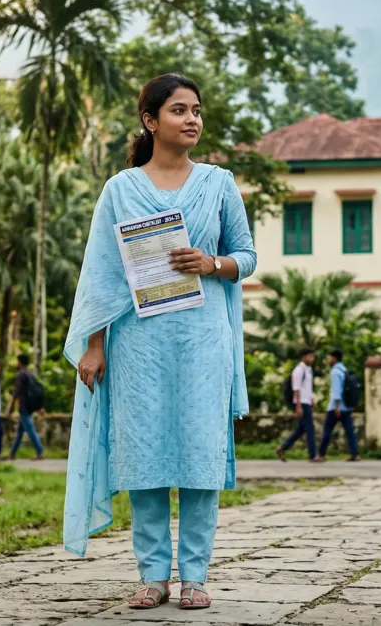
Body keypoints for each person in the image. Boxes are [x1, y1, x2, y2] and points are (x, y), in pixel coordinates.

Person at [64, 73, 256, 611]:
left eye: (197, 110)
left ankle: (195, 576)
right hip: (138, 344)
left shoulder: (218, 184)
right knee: (143, 457)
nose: (192, 119)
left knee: (200, 456)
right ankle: (152, 576)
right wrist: (95, 345)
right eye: (179, 110)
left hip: (202, 340)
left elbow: (248, 255)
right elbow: (102, 275)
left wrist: (213, 263)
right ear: (150, 121)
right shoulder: (120, 190)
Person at [276, 348, 320, 463]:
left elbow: (307, 388)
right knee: (310, 429)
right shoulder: (299, 370)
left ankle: (282, 448)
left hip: (306, 402)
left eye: (312, 356)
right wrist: (299, 405)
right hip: (301, 403)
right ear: (303, 357)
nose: (312, 359)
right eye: (310, 356)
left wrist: (311, 399)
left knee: (301, 430)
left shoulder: (308, 370)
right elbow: (296, 388)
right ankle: (312, 455)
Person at [318, 349, 360, 462]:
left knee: (327, 430)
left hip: (336, 407)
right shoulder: (344, 370)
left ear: (334, 358)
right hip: (346, 406)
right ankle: (355, 453)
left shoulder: (335, 371)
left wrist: (336, 406)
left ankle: (321, 455)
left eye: (329, 358)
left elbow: (336, 390)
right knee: (349, 431)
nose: (328, 360)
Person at [8, 354, 45, 461]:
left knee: (30, 429)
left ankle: (39, 452)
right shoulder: (31, 374)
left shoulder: (20, 375)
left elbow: (16, 392)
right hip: (30, 406)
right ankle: (12, 453)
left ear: (20, 362)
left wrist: (10, 407)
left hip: (24, 406)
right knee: (20, 431)